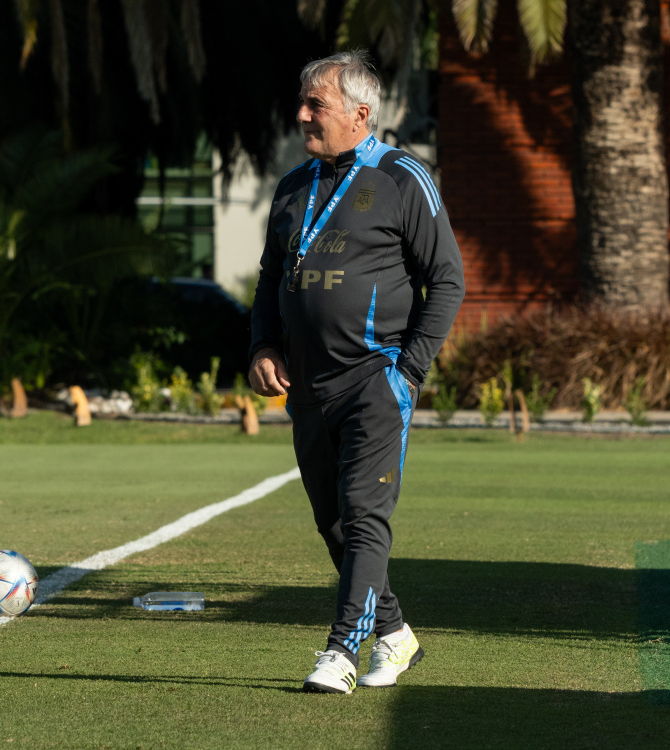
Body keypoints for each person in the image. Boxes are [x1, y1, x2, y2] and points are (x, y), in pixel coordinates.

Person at [248, 50, 465, 694]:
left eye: (316, 104)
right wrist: (263, 344)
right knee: (334, 524)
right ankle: (395, 636)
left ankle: (342, 650)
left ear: (360, 113)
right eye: (304, 101)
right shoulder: (292, 186)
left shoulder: (403, 177)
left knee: (365, 518)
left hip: (375, 380)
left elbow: (446, 281)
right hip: (307, 389)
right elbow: (269, 280)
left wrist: (408, 372)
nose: (302, 114)